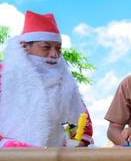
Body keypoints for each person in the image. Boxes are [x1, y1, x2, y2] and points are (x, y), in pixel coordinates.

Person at [0, 10, 93, 147]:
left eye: (58, 48)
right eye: (46, 47)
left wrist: (74, 140)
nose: (54, 54)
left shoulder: (65, 83)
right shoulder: (4, 75)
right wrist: (8, 144)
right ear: (25, 46)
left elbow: (70, 122)